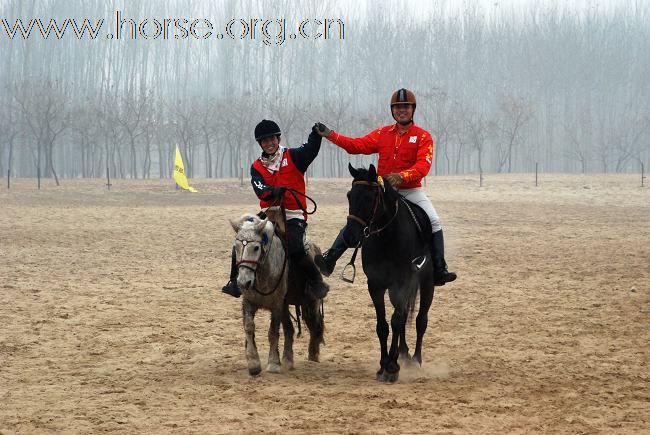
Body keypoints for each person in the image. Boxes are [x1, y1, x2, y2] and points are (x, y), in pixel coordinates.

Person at [314, 88, 457, 286]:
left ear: (412, 109)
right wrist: (330, 135)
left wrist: (402, 176)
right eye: (398, 107)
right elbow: (356, 145)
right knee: (358, 218)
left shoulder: (423, 137)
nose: (402, 111)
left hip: (410, 190)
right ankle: (330, 259)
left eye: (405, 107)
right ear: (392, 110)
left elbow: (423, 166)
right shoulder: (382, 134)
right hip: (383, 191)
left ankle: (439, 269)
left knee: (434, 221)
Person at [222, 119, 329, 300]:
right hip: (269, 215)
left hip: (293, 215)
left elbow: (310, 150)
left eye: (272, 139)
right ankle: (235, 282)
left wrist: (316, 135)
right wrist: (272, 191)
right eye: (264, 141)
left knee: (296, 247)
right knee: (242, 239)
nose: (269, 143)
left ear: (278, 139)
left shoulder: (293, 156)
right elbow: (259, 189)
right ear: (260, 144)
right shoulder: (256, 167)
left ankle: (317, 281)